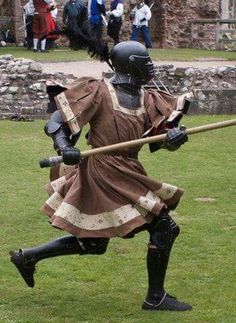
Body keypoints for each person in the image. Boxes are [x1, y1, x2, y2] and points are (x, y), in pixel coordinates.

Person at [10, 40, 192, 312]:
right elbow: (57, 122)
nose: (151, 64)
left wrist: (174, 138)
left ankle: (28, 258)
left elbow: (159, 141)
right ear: (131, 64)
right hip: (102, 171)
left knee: (95, 243)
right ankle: (156, 298)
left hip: (129, 168)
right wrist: (65, 147)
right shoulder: (99, 91)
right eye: (146, 59)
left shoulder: (148, 98)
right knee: (164, 225)